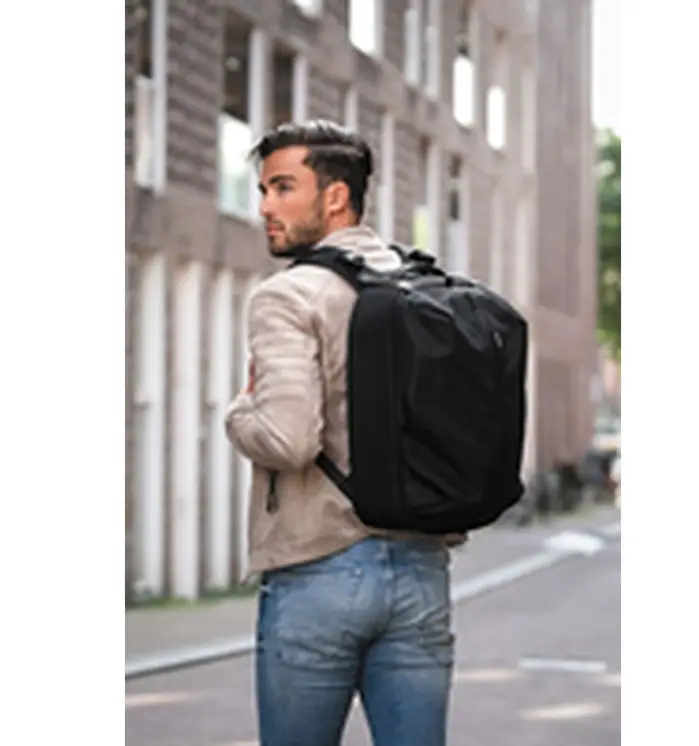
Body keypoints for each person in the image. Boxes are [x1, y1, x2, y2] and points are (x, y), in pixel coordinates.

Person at [224, 120, 461, 746]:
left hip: (317, 572)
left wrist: (238, 411)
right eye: (263, 190)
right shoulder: (430, 290)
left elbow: (288, 440)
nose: (265, 206)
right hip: (421, 571)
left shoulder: (288, 296)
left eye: (283, 188)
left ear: (335, 197)